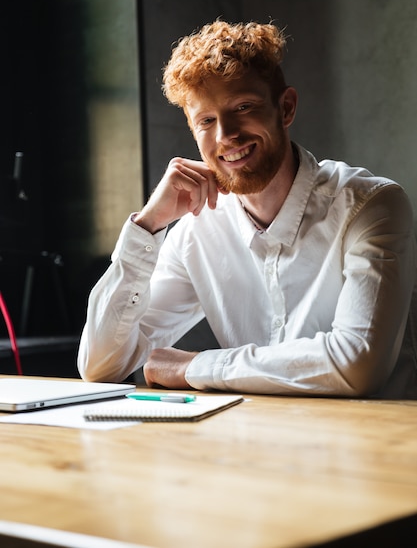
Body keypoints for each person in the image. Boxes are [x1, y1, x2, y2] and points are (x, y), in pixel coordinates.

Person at [78, 20, 417, 398]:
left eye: (243, 107)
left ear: (285, 108)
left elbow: (357, 365)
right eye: (206, 120)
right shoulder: (196, 231)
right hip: (256, 447)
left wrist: (194, 367)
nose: (226, 135)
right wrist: (148, 226)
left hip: (378, 448)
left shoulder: (371, 206)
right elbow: (101, 365)